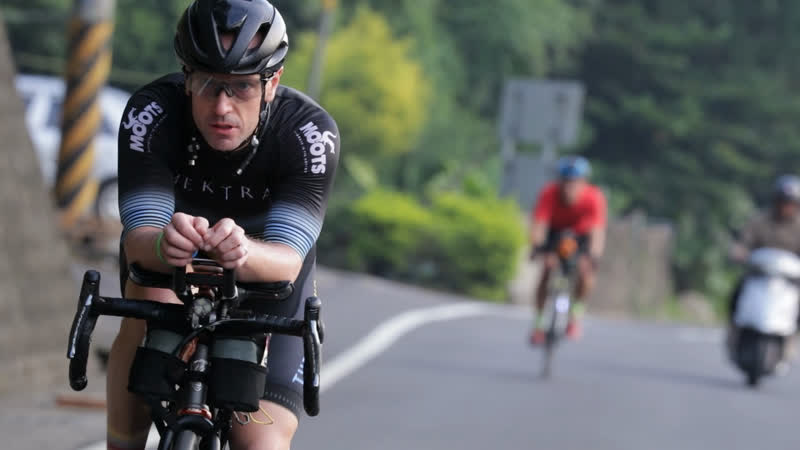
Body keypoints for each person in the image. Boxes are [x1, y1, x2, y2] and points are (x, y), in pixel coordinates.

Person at [105, 1, 339, 449]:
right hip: (169, 262)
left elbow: (287, 260)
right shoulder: (152, 111)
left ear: (272, 83)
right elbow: (140, 239)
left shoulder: (308, 132)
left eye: (242, 86)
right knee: (146, 322)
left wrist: (244, 251)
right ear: (187, 78)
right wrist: (164, 247)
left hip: (266, 277)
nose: (222, 106)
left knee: (258, 442)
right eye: (208, 83)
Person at [528, 156, 607, 345]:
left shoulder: (594, 197)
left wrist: (594, 256)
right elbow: (539, 224)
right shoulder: (549, 193)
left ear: (584, 182)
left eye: (575, 182)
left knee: (586, 275)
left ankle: (575, 315)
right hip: (555, 233)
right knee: (546, 273)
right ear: (560, 181)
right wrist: (538, 248)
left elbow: (597, 231)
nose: (569, 187)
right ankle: (539, 324)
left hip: (581, 236)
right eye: (566, 182)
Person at [727, 175, 800, 336]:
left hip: (790, 280)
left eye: (790, 203)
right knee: (738, 292)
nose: (786, 207)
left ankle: (792, 337)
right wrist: (739, 252)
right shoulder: (760, 220)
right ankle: (734, 329)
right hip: (760, 275)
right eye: (783, 202)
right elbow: (744, 242)